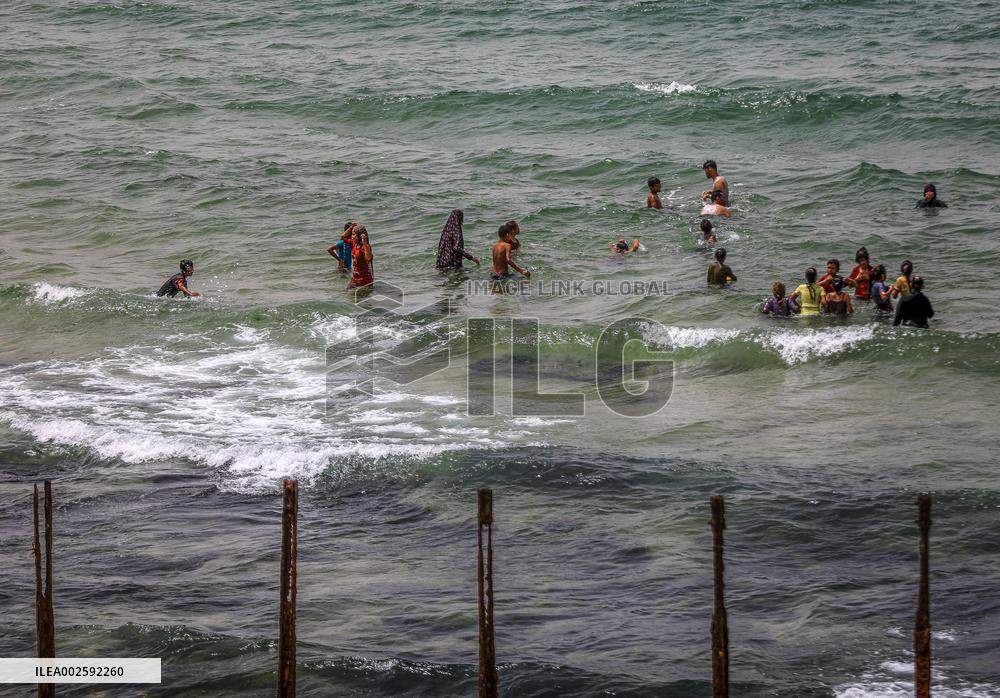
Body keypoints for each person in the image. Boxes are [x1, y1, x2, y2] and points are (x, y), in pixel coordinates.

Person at [347, 224, 374, 289]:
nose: (352, 237)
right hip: (355, 278)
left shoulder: (364, 247)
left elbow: (369, 258)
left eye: (353, 234)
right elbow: (343, 237)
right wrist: (351, 226)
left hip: (364, 280)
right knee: (346, 295)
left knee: (358, 298)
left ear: (359, 235)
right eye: (352, 234)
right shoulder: (355, 244)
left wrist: (364, 243)